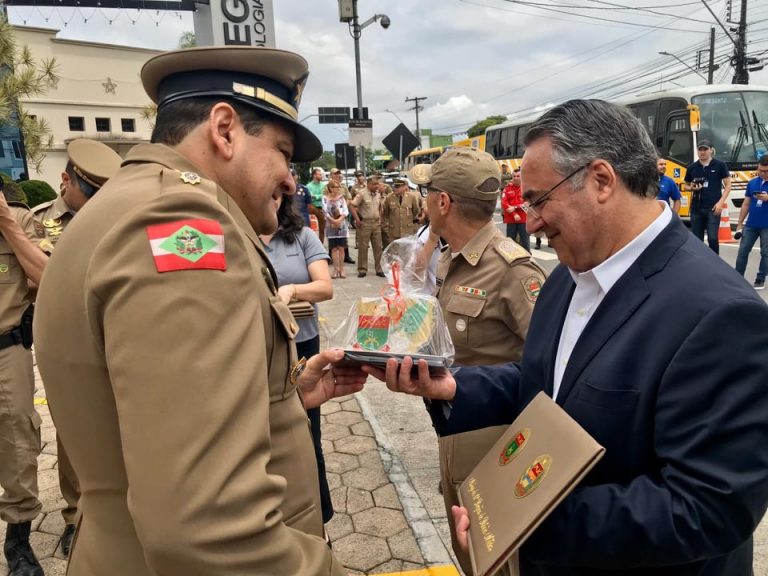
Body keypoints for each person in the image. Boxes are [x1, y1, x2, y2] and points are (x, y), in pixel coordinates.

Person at [369, 99, 768, 576]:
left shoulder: (720, 314)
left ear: (601, 180)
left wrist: (525, 521)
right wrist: (453, 387)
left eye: (538, 200)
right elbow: (549, 386)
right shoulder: (567, 277)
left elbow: (709, 507)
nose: (530, 221)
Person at [32, 46, 366, 576]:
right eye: (282, 152)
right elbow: (210, 531)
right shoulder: (184, 225)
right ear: (225, 129)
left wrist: (282, 397)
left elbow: (147, 410)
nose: (290, 179)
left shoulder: (122, 204)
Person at [410, 149, 546, 575]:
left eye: (428, 191)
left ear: (444, 202)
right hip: (455, 430)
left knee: (501, 561)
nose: (424, 200)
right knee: (470, 557)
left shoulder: (512, 270)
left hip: (499, 445)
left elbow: (549, 367)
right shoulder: (454, 256)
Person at [30, 139, 123, 557]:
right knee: (73, 432)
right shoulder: (39, 221)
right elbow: (40, 280)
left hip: (117, 335)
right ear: (66, 180)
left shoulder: (122, 220)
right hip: (67, 344)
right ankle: (74, 516)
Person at [258, 192, 335, 524]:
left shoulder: (301, 236)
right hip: (259, 350)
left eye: (277, 194)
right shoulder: (237, 235)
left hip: (302, 346)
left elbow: (324, 287)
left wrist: (292, 291)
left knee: (307, 431)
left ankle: (320, 516)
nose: (270, 199)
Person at [0, 180, 48, 576]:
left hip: (6, 349)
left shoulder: (18, 218)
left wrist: (7, 224)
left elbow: (47, 276)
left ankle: (18, 540)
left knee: (17, 439)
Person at [684, 140, 731, 253]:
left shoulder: (720, 165)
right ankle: (700, 265)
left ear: (711, 150)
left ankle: (715, 264)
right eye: (700, 149)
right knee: (697, 240)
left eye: (705, 149)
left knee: (713, 238)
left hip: (713, 208)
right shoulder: (692, 167)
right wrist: (692, 188)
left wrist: (721, 203)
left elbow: (728, 185)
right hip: (696, 209)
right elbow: (686, 185)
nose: (702, 152)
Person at [734, 154, 768, 290]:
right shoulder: (753, 182)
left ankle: (760, 278)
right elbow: (746, 204)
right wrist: (740, 223)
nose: (762, 173)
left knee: (766, 253)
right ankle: (737, 277)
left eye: (766, 171)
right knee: (743, 250)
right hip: (751, 224)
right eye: (760, 170)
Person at [349, 175, 385, 278]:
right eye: (374, 184)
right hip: (365, 224)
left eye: (377, 184)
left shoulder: (378, 194)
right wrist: (357, 219)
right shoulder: (362, 194)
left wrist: (380, 218)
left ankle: (379, 269)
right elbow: (352, 205)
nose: (377, 186)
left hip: (376, 224)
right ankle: (362, 269)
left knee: (378, 247)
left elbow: (379, 207)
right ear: (369, 184)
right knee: (363, 247)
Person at [322, 179, 350, 278]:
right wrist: (333, 221)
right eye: (334, 187)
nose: (337, 189)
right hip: (330, 225)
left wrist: (339, 220)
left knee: (341, 248)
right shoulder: (325, 198)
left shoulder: (341, 198)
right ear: (330, 188)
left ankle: (342, 269)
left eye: (338, 187)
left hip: (341, 225)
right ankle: (335, 269)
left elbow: (346, 211)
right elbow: (324, 212)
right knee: (333, 249)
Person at [381, 178, 421, 247]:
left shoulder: (411, 197)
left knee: (407, 251)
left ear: (404, 187)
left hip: (407, 230)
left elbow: (415, 211)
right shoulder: (389, 197)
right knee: (395, 251)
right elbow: (386, 213)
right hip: (394, 231)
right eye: (394, 186)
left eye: (398, 187)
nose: (395, 189)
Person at [329, 168, 355, 264]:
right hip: (332, 214)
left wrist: (344, 208)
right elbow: (325, 199)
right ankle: (331, 256)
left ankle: (346, 256)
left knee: (344, 235)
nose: (337, 175)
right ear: (331, 175)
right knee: (332, 236)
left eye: (338, 174)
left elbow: (349, 198)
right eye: (335, 174)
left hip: (342, 214)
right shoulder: (327, 186)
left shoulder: (343, 186)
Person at [501, 167, 531, 251]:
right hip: (511, 220)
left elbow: (527, 204)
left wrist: (514, 207)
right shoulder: (507, 188)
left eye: (518, 176)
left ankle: (527, 262)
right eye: (514, 176)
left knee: (525, 245)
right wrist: (515, 214)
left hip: (523, 220)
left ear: (521, 177)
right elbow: (504, 203)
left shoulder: (526, 189)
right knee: (510, 245)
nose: (515, 178)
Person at [306, 167, 327, 243]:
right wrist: (318, 196)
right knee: (310, 228)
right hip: (312, 208)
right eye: (319, 174)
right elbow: (309, 197)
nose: (321, 176)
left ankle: (321, 244)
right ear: (314, 175)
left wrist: (315, 196)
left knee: (322, 229)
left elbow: (324, 196)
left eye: (321, 175)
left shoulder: (324, 185)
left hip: (321, 208)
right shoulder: (308, 186)